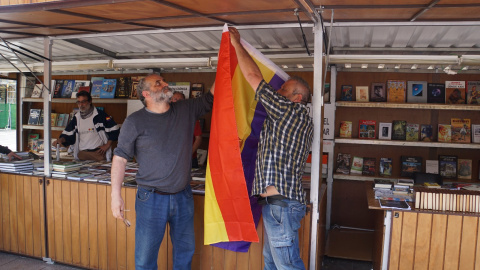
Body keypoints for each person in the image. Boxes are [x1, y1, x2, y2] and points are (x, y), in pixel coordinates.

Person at [229, 27, 313, 270]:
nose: (277, 91)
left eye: (283, 90)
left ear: (297, 97)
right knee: (272, 263)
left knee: (286, 265)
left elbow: (254, 77)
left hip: (281, 205)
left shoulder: (288, 110)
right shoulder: (299, 118)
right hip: (280, 205)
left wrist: (237, 44)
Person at [110, 73, 214, 270]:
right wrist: (116, 195)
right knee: (145, 260)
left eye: (164, 81)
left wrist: (228, 53)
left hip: (183, 196)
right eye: (159, 83)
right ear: (146, 93)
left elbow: (211, 97)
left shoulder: (185, 109)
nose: (166, 84)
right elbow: (120, 158)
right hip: (150, 199)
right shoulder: (134, 122)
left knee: (185, 255)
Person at [52, 91, 120, 161]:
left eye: (83, 101)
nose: (81, 105)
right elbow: (68, 134)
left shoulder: (100, 115)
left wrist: (107, 145)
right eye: (78, 102)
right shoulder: (76, 117)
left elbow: (115, 130)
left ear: (90, 101)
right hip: (82, 154)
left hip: (98, 154)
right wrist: (60, 140)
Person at [171, 91, 203, 168]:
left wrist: (189, 154)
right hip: (170, 158)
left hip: (188, 159)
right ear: (170, 101)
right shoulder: (165, 117)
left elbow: (198, 138)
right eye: (175, 99)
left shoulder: (191, 117)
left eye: (180, 100)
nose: (178, 101)